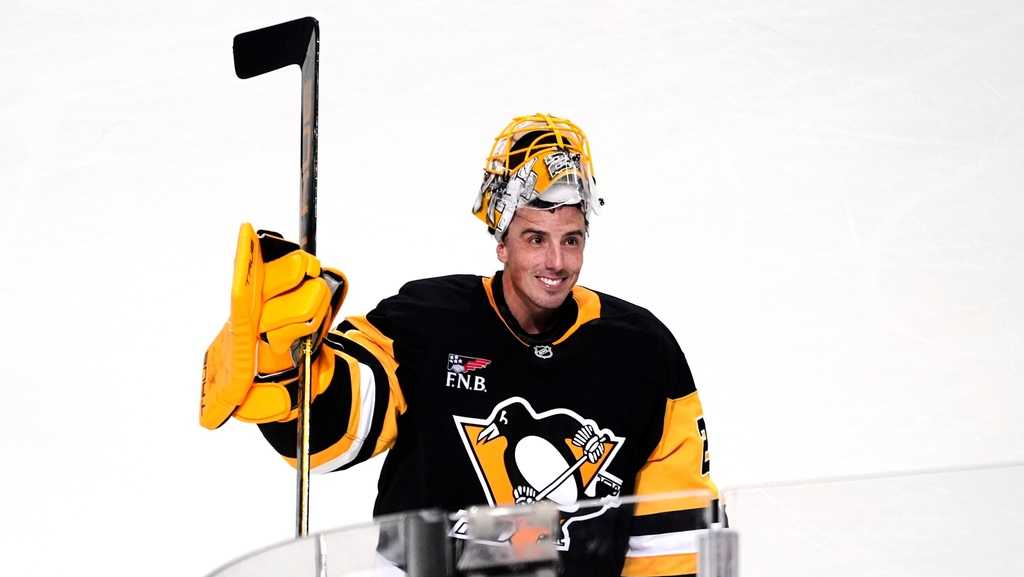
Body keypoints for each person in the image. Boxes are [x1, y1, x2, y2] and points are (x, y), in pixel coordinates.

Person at [201, 113, 718, 577]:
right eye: (536, 238)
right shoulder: (429, 321)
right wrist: (293, 359)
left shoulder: (643, 352)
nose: (557, 262)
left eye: (572, 238)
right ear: (501, 239)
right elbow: (347, 415)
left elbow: (672, 538)